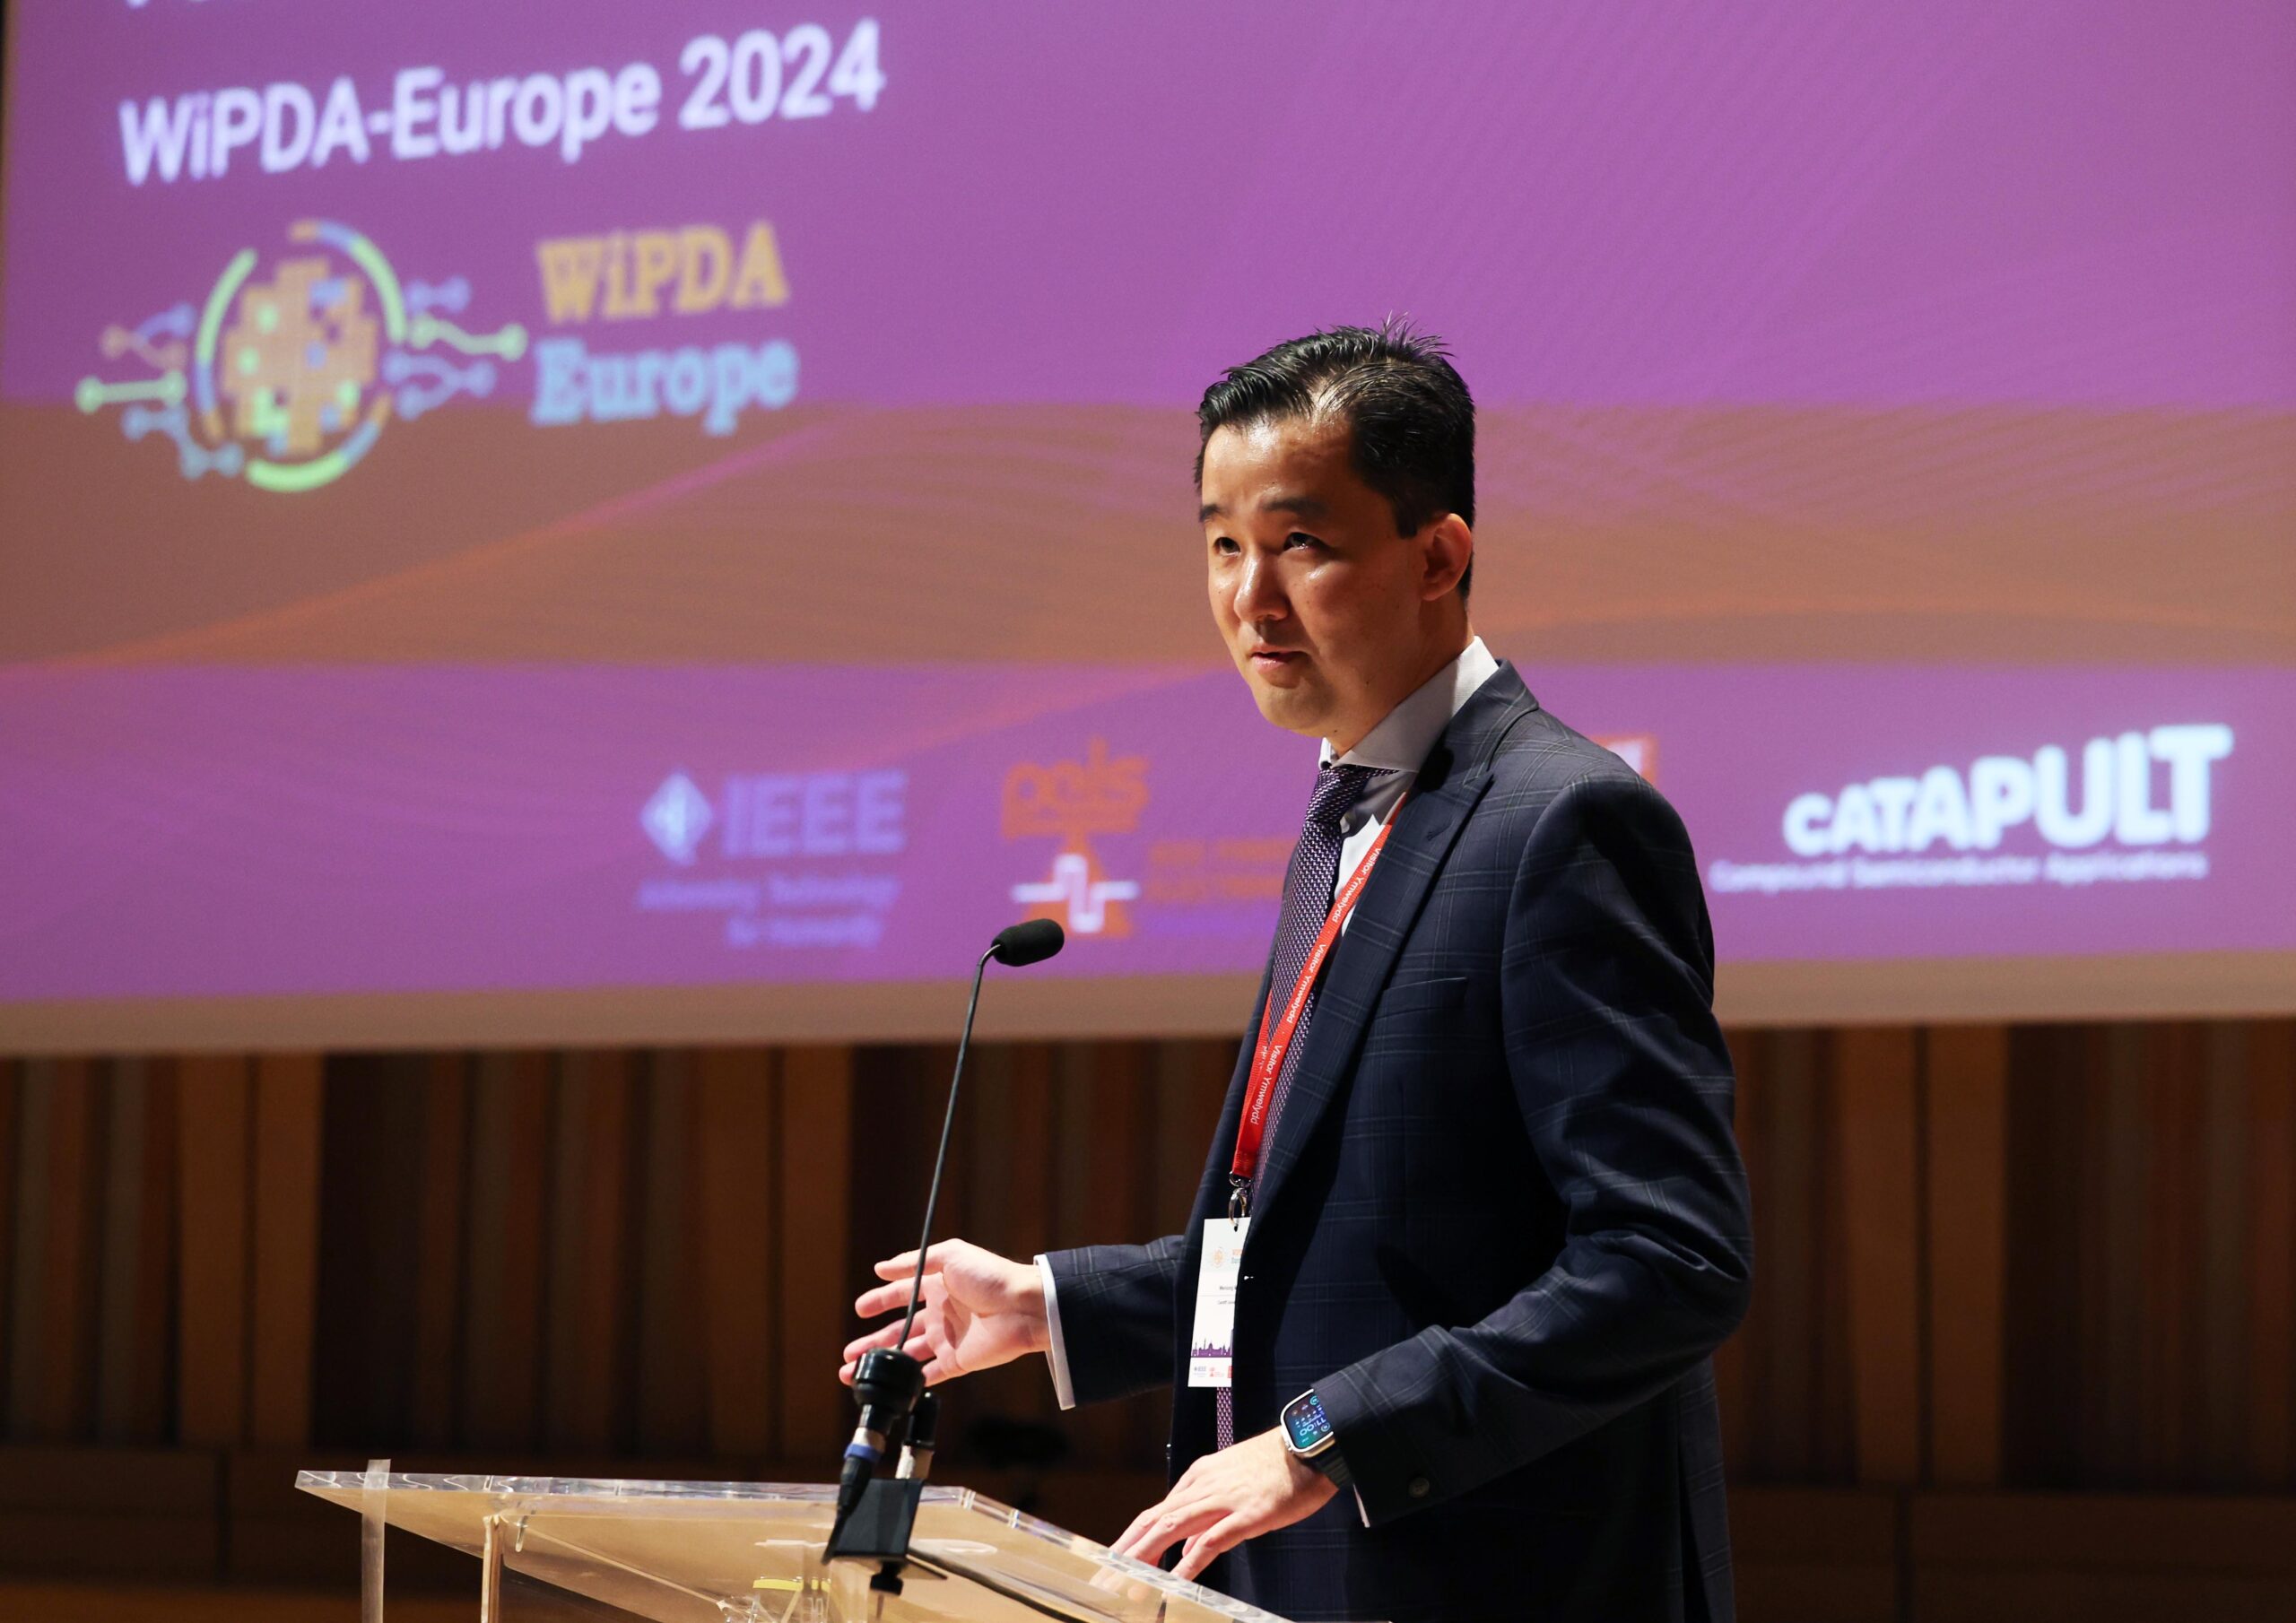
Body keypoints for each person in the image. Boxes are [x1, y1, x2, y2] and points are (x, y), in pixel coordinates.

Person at [841, 323, 1753, 1623]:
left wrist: (1325, 1436)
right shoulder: (1343, 825)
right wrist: (1050, 1305)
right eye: (1222, 545)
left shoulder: (1562, 822)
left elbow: (1671, 1259)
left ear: (1439, 554)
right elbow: (1340, 1247)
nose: (1248, 598)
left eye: (1301, 545)